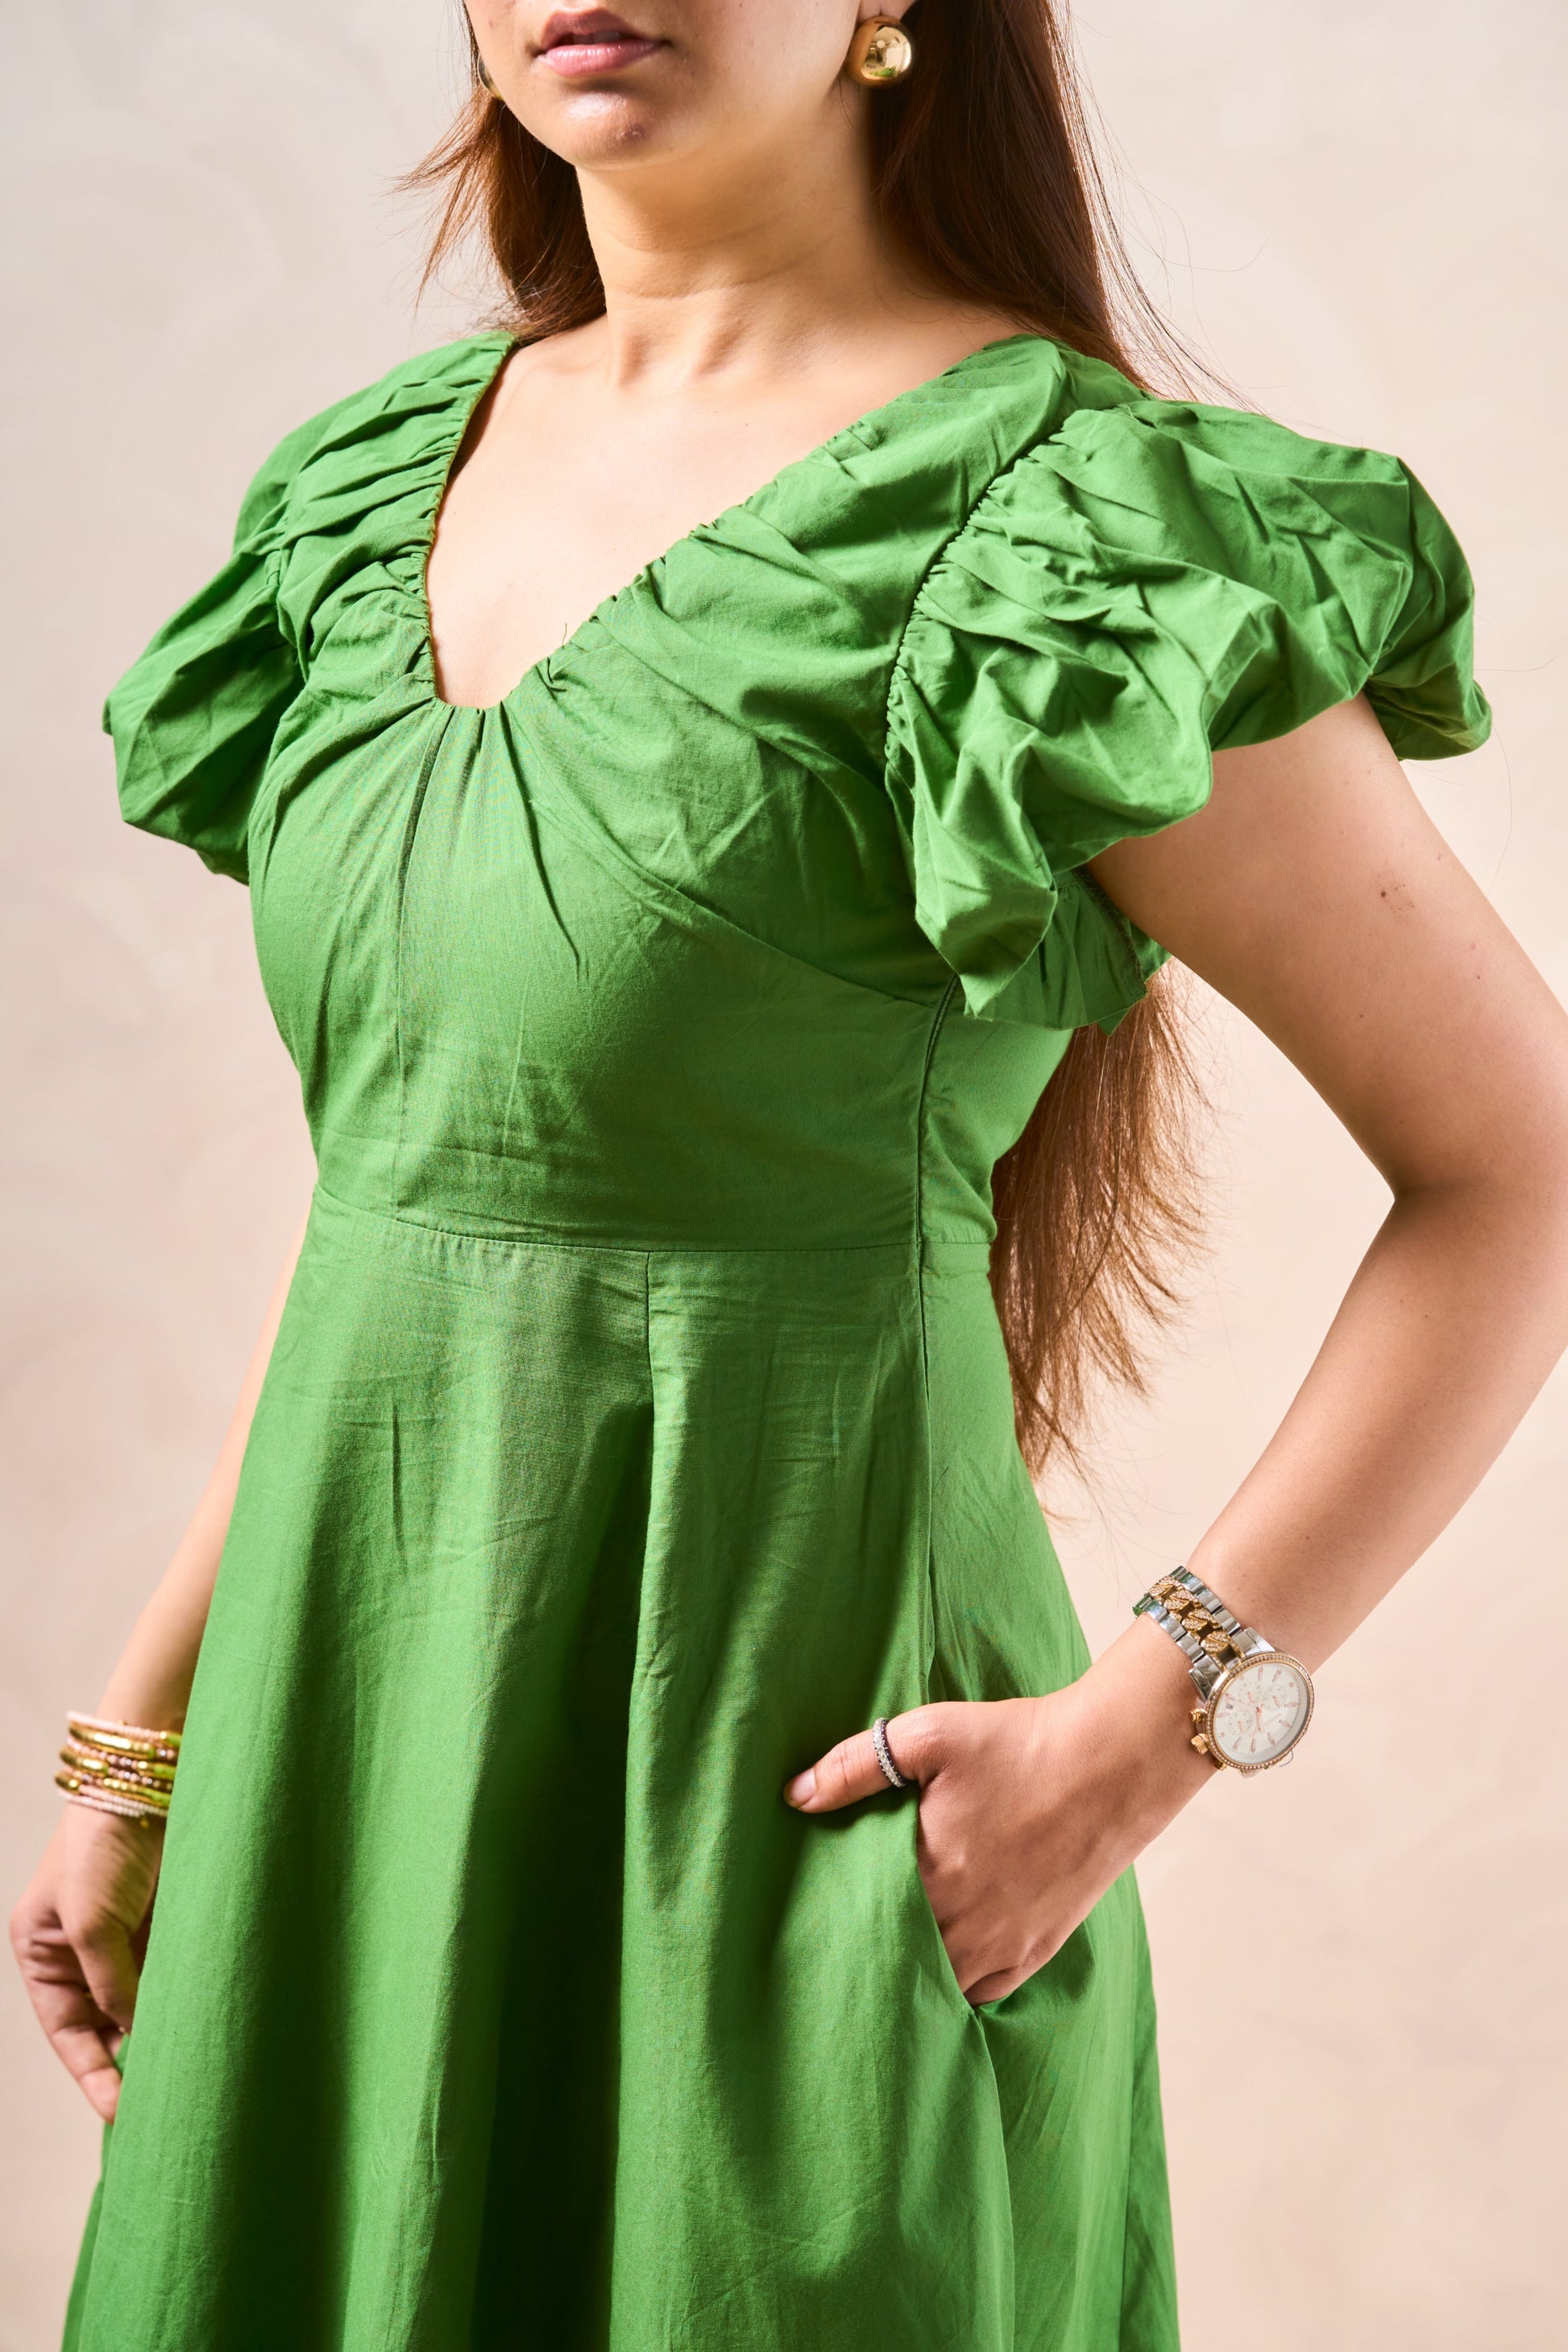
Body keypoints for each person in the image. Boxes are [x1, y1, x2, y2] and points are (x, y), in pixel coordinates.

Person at [14, 4, 1568, 2347]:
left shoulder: (1066, 530)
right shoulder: (361, 489)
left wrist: (1150, 1735)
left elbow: (1517, 1163)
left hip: (784, 1827)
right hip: (338, 1802)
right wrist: (147, 1731)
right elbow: (408, 1207)